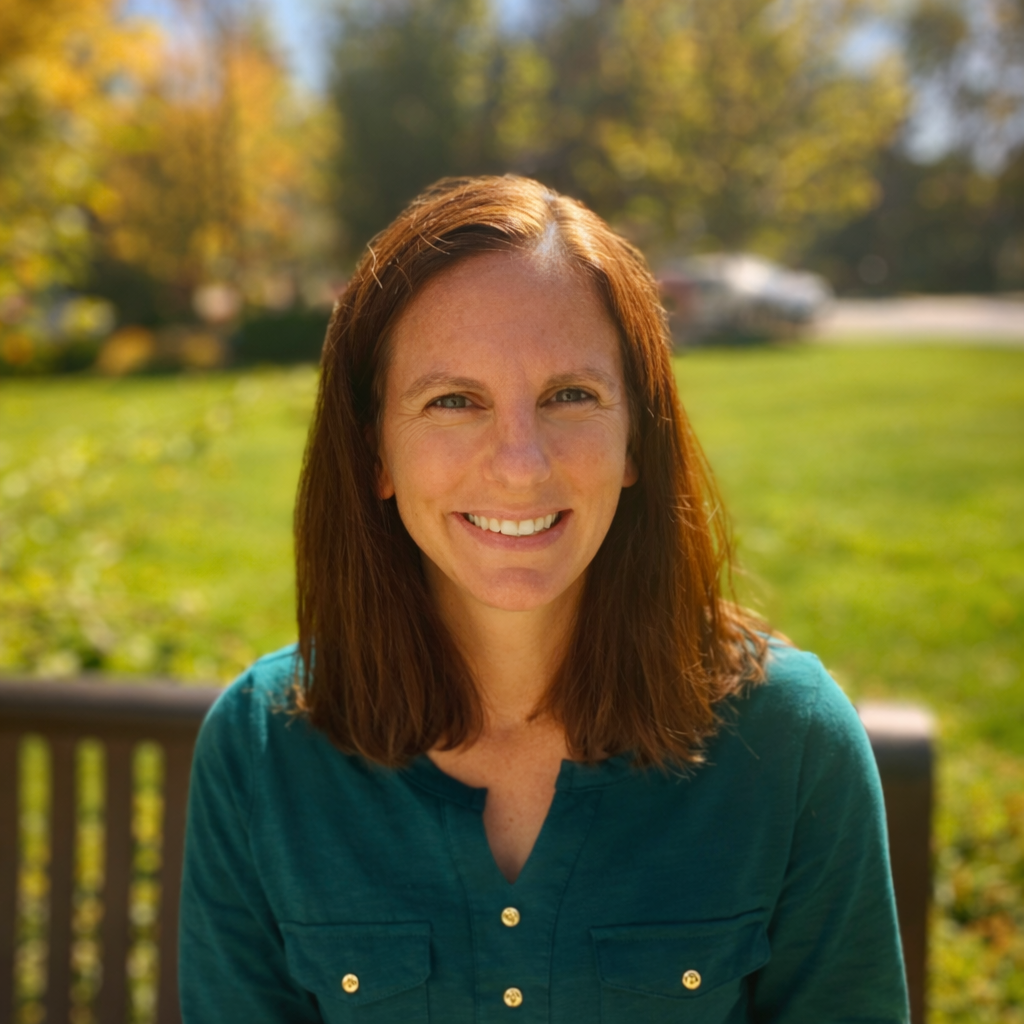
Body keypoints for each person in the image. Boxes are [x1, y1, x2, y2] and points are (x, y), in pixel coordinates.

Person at [179, 175, 909, 1023]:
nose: (521, 463)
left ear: (637, 435)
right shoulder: (260, 751)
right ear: (374, 453)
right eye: (453, 401)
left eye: (570, 396)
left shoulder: (791, 741)